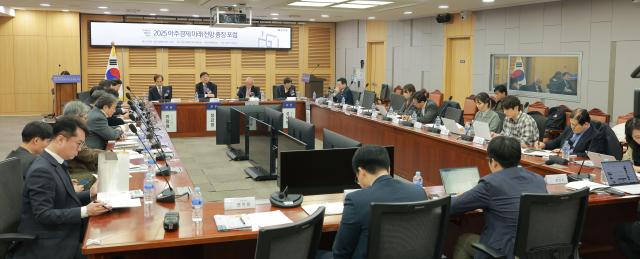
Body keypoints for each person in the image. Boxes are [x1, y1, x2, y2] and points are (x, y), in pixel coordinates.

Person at [11, 116, 111, 259]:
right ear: (60, 139)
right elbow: (44, 215)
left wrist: (90, 193)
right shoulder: (42, 170)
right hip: (49, 242)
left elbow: (61, 197)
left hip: (63, 231)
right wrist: (85, 211)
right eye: (79, 143)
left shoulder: (55, 161)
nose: (80, 149)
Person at [451, 136, 547, 259]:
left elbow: (452, 207)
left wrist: (462, 196)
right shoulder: (538, 179)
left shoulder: (490, 183)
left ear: (494, 162)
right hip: (536, 250)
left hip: (505, 253)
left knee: (464, 241)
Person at [331, 145, 427, 259]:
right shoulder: (418, 191)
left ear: (361, 172)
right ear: (389, 168)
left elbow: (340, 253)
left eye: (357, 178)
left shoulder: (356, 200)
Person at [535, 109, 611, 158]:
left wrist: (567, 153)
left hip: (577, 166)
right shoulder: (569, 128)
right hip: (561, 160)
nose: (572, 127)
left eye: (574, 125)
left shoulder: (596, 135)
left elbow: (589, 155)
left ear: (586, 124)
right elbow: (557, 141)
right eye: (571, 123)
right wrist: (544, 145)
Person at [63, 101, 102, 190]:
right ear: (77, 117)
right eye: (85, 117)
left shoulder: (73, 129)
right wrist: (110, 154)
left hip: (82, 168)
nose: (87, 120)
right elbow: (86, 154)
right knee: (102, 178)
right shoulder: (69, 133)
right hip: (75, 174)